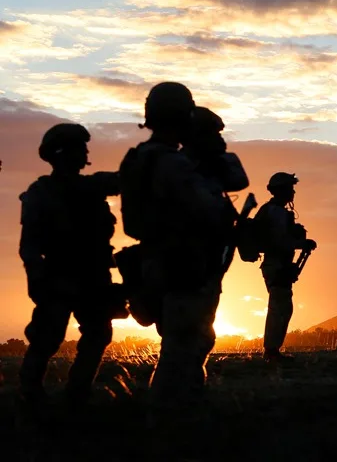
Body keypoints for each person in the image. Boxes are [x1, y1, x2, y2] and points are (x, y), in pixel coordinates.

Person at [118, 82, 226, 423]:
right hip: (180, 263)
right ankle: (171, 420)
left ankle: (181, 415)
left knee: (187, 341)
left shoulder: (138, 158)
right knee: (183, 346)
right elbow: (206, 209)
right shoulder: (172, 164)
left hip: (156, 260)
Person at [17, 123, 122, 411]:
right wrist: (36, 278)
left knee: (98, 334)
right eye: (80, 148)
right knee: (46, 338)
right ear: (64, 154)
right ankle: (31, 394)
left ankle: (77, 395)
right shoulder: (40, 193)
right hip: (58, 277)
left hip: (94, 278)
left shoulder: (92, 186)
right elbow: (29, 246)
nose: (86, 152)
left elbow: (123, 180)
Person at [181, 106, 249, 285]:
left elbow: (240, 181)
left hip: (210, 256)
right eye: (213, 134)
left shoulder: (213, 165)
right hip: (185, 258)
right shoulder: (177, 166)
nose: (219, 139)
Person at [255, 172, 316, 363]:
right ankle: (271, 351)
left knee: (282, 306)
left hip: (277, 264)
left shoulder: (272, 211)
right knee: (279, 307)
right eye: (290, 188)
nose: (293, 192)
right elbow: (279, 241)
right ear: (281, 190)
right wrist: (301, 244)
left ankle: (273, 350)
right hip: (277, 264)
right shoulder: (276, 212)